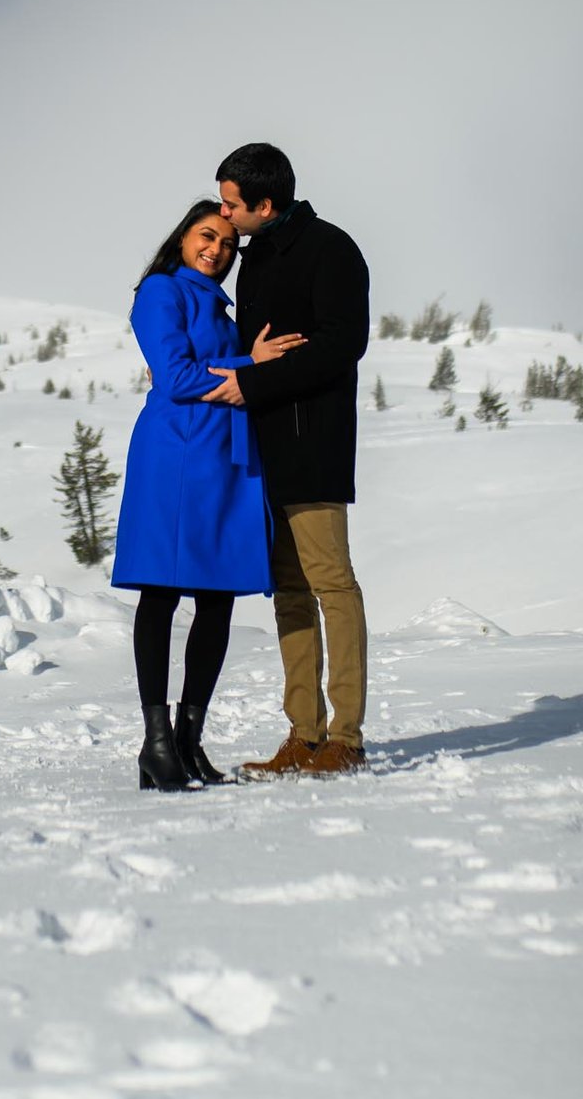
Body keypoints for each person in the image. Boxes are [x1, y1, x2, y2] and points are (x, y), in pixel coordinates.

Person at [112, 200, 306, 791]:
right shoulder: (160, 293)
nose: (217, 250)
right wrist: (251, 364)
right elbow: (176, 377)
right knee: (164, 592)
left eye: (226, 243)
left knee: (218, 599)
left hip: (223, 455)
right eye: (207, 236)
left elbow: (207, 373)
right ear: (182, 238)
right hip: (176, 456)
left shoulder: (222, 308)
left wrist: (240, 370)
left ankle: (191, 741)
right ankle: (156, 742)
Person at [201, 143, 373, 777]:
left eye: (231, 203)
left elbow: (342, 344)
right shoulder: (257, 259)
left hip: (317, 444)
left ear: (265, 204)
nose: (224, 213)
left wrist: (257, 384)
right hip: (264, 447)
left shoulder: (332, 248)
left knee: (332, 585)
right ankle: (304, 736)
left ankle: (346, 739)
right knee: (290, 593)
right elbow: (257, 349)